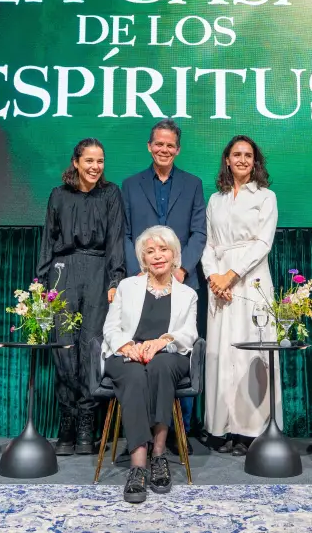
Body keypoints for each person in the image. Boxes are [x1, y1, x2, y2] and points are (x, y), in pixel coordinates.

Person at [121, 119, 206, 451]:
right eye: (159, 144)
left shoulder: (193, 184)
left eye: (170, 145)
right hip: (142, 285)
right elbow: (126, 235)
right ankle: (142, 429)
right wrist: (138, 274)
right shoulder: (130, 185)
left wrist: (182, 268)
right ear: (149, 146)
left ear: (178, 149)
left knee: (176, 352)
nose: (164, 149)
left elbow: (199, 232)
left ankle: (178, 431)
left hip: (182, 282)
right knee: (142, 353)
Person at [37, 137, 125, 456]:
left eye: (100, 161)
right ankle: (67, 420)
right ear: (76, 162)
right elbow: (48, 240)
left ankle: (88, 421)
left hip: (99, 271)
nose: (95, 167)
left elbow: (116, 238)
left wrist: (116, 279)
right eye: (89, 160)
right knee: (64, 347)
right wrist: (42, 286)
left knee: (91, 346)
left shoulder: (111, 193)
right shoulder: (58, 196)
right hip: (63, 270)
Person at [101, 226, 198, 503]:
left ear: (174, 255)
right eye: (150, 251)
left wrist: (161, 342)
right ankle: (139, 465)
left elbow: (189, 334)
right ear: (143, 259)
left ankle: (159, 454)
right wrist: (127, 347)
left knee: (160, 367)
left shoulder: (187, 295)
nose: (157, 256)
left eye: (163, 250)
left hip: (167, 353)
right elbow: (111, 327)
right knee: (134, 376)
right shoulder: (126, 287)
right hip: (126, 354)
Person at [201, 135, 281, 455]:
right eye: (237, 154)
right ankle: (220, 428)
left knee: (251, 353)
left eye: (249, 155)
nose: (243, 160)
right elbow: (207, 245)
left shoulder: (266, 197)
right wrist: (214, 277)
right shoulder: (215, 200)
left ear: (255, 161)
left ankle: (250, 430)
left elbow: (263, 243)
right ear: (227, 159)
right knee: (221, 354)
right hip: (219, 284)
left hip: (251, 280)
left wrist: (232, 276)